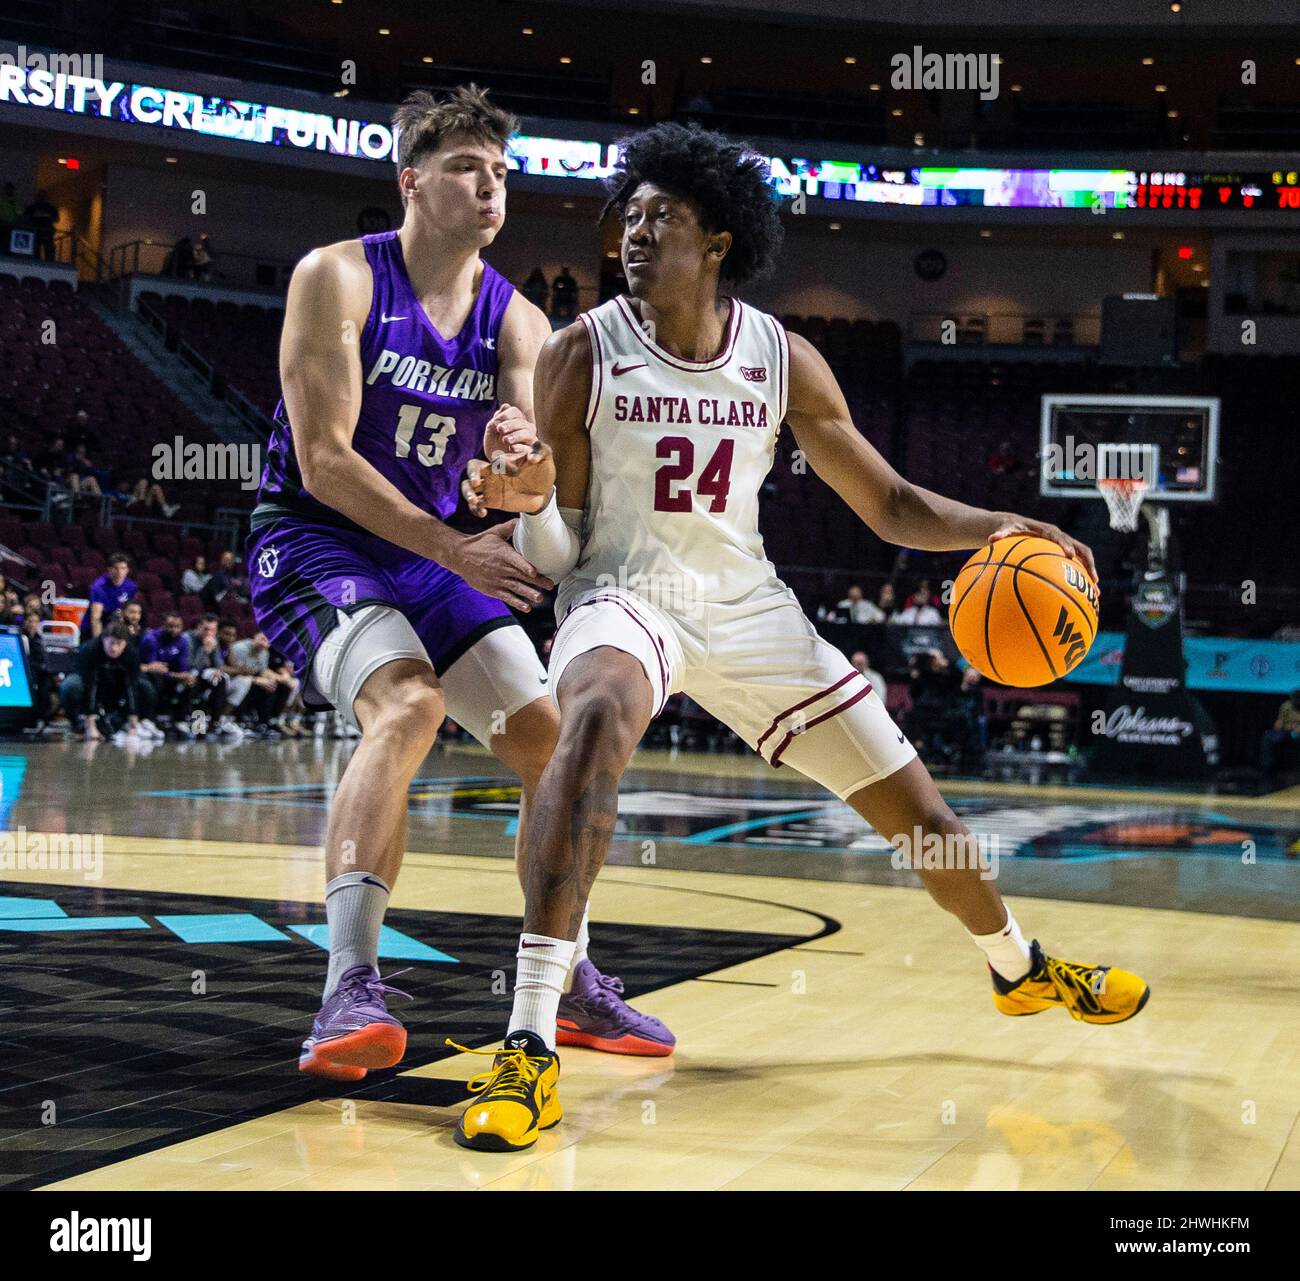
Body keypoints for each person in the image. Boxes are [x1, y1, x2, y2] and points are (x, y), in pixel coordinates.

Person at [461, 120, 1149, 1151]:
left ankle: (1018, 965)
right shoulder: (579, 350)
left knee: (921, 818)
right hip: (623, 594)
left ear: (721, 239)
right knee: (594, 712)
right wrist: (525, 503)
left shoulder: (782, 359)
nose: (637, 233)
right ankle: (528, 1042)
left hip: (749, 611)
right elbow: (555, 553)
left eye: (665, 217)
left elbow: (892, 506)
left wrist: (1005, 526)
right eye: (630, 216)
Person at [246, 85, 672, 1083]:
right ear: (410, 182)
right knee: (407, 705)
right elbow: (325, 462)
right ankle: (349, 986)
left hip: (442, 547)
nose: (491, 188)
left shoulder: (517, 320)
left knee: (553, 749)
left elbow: (520, 476)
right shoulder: (339, 280)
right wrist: (454, 541)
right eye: (466, 170)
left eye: (500, 173)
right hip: (319, 541)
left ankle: (565, 978)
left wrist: (519, 471)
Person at [59, 623, 146, 741]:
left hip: (115, 684)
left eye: (119, 644)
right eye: (111, 643)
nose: (114, 648)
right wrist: (91, 725)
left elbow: (132, 685)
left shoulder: (131, 654)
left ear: (125, 643)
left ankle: (139, 722)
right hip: (86, 683)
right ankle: (77, 724)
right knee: (69, 686)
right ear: (104, 640)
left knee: (145, 687)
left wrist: (133, 718)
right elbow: (90, 685)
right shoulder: (90, 649)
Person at [138, 612, 195, 733]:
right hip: (148, 674)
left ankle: (181, 719)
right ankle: (150, 719)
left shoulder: (183, 641)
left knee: (190, 681)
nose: (174, 630)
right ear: (163, 625)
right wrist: (176, 675)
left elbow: (183, 666)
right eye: (170, 626)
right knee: (156, 679)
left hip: (170, 675)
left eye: (178, 626)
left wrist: (185, 676)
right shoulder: (151, 639)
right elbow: (153, 667)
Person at [82, 554, 137, 639]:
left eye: (123, 568)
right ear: (109, 570)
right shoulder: (98, 587)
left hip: (115, 625)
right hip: (92, 628)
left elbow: (129, 610)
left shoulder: (131, 586)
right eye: (116, 568)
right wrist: (98, 643)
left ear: (127, 570)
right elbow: (96, 619)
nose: (120, 572)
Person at [1261, 690, 1300, 777]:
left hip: (1297, 733)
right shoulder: (1287, 706)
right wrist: (1286, 725)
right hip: (1287, 732)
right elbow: (1278, 725)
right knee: (1268, 736)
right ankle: (1268, 769)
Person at [22, 190, 59, 261]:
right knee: (36, 252)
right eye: (40, 196)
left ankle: (48, 266)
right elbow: (25, 218)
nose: (42, 198)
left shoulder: (50, 208)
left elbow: (56, 219)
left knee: (49, 252)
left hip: (47, 233)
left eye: (43, 196)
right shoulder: (31, 208)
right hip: (36, 233)